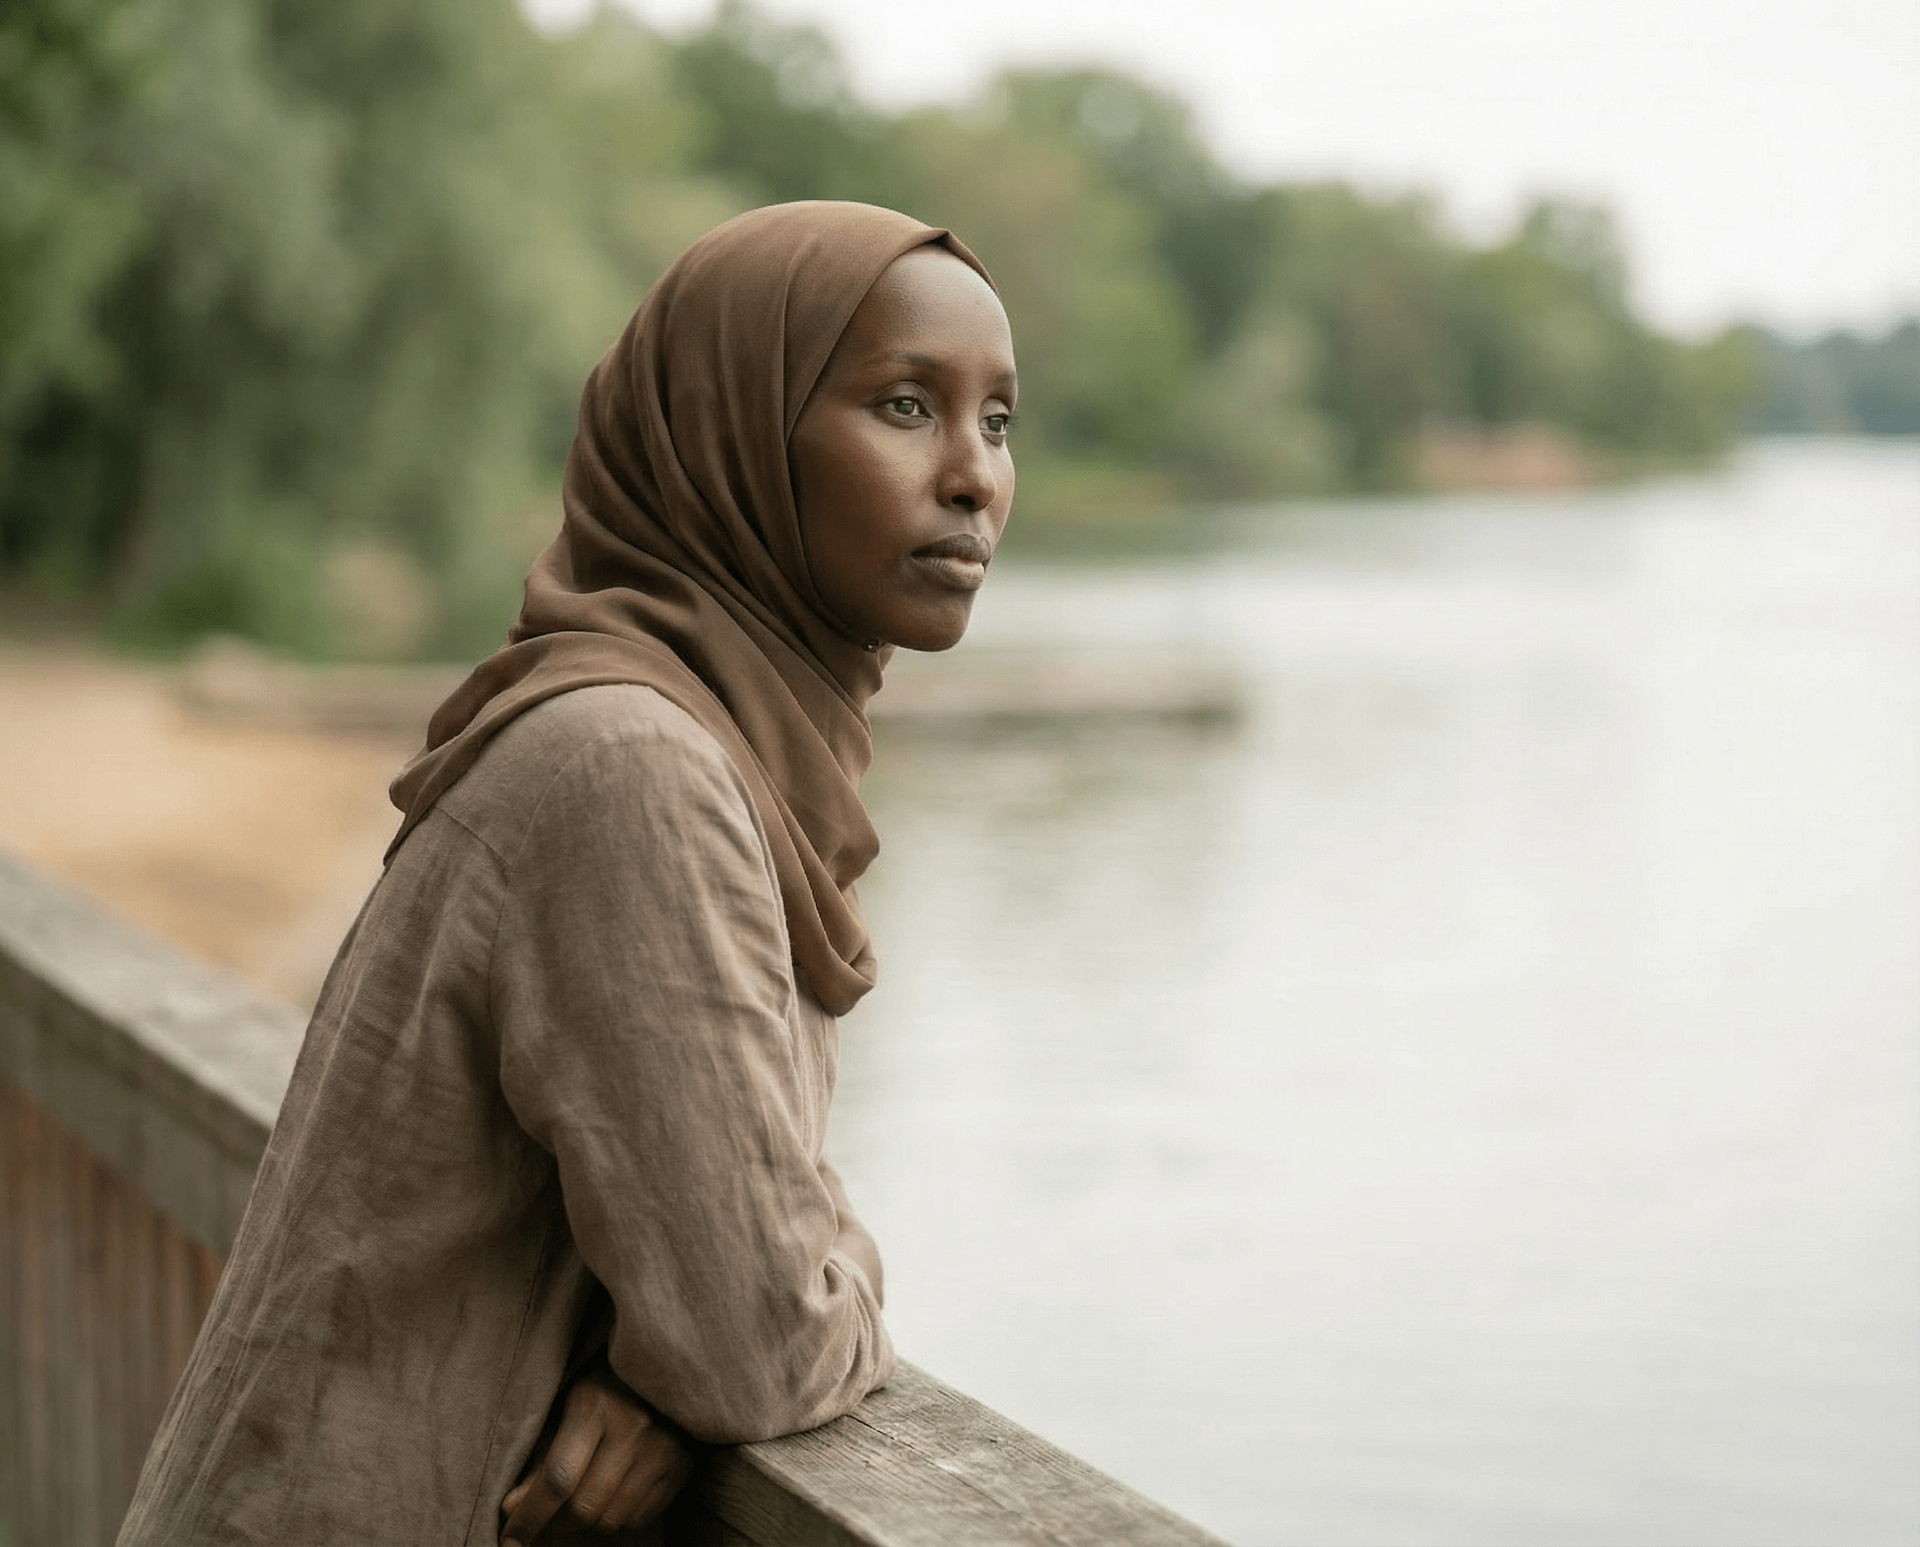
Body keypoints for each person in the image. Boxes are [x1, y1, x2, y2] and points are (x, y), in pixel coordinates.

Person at [115, 201, 1017, 1545]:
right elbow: (760, 1339)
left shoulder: (688, 743)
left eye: (998, 420)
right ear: (730, 435)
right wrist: (730, 1332)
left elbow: (738, 1277)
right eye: (902, 405)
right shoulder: (632, 770)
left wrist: (683, 1359)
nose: (973, 476)